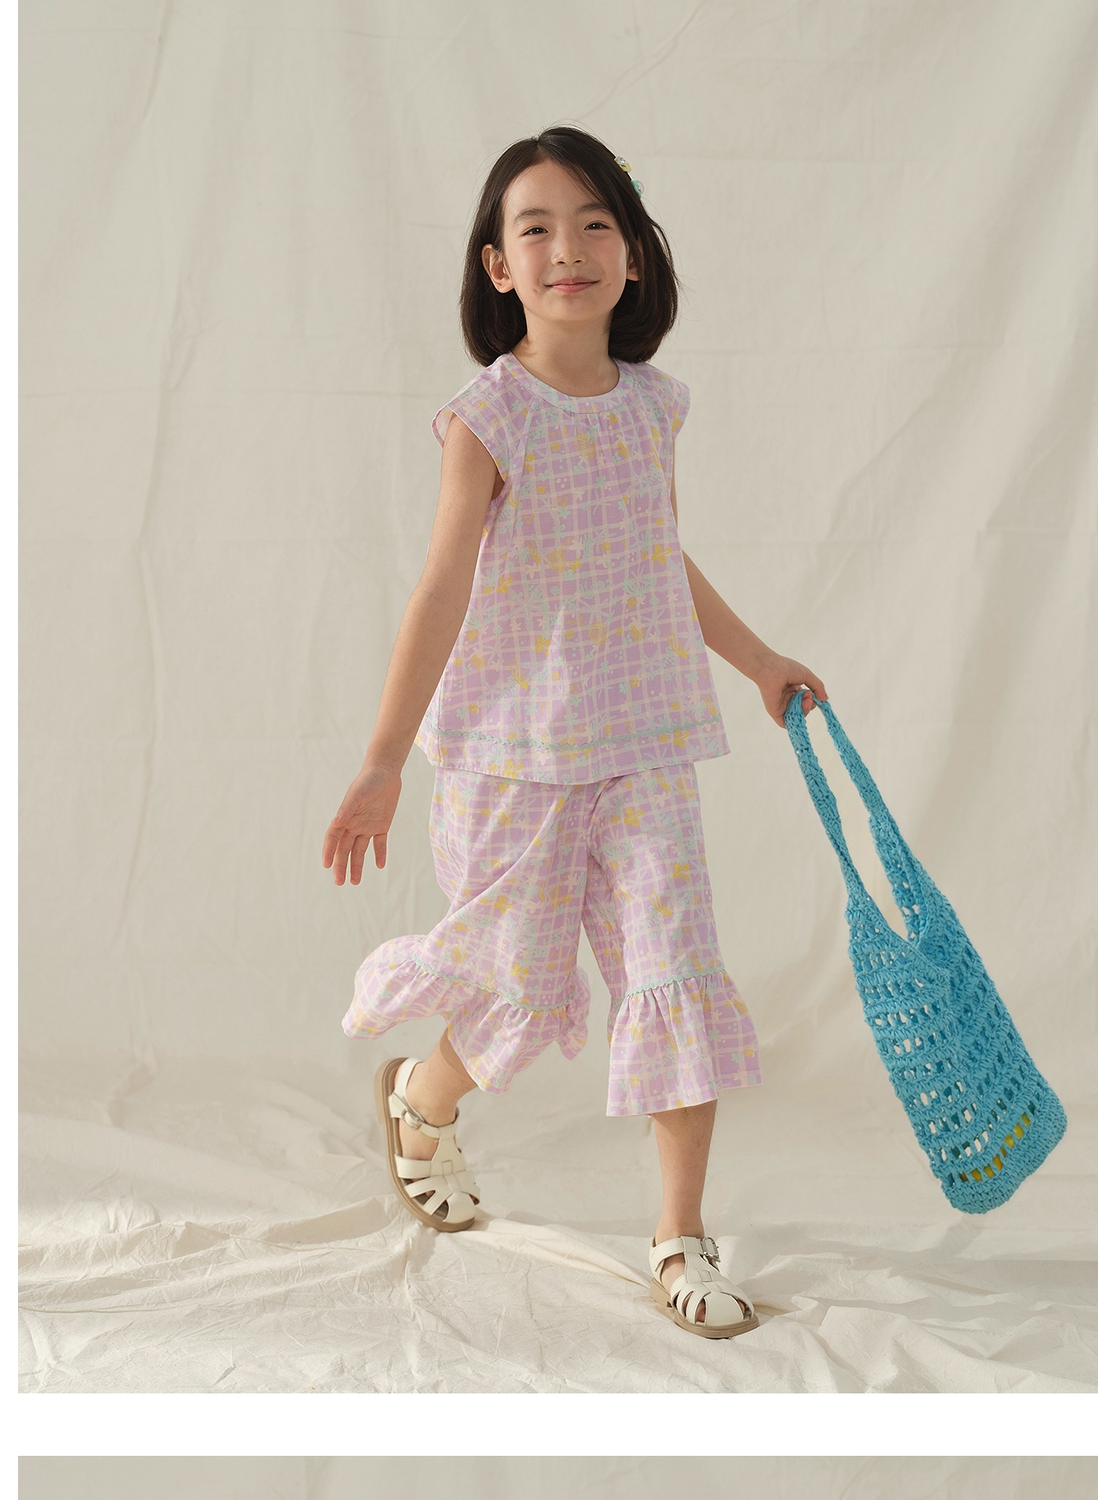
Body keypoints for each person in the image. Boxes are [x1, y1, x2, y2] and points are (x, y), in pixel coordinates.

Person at [321, 126, 826, 1340]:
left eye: (596, 222)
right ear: (499, 268)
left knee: (675, 976)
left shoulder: (652, 406)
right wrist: (383, 760)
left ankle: (681, 1236)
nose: (569, 248)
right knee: (518, 991)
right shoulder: (490, 418)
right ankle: (422, 1101)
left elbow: (657, 555)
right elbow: (441, 588)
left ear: (634, 254)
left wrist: (759, 661)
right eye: (536, 228)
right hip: (516, 760)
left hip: (646, 748)